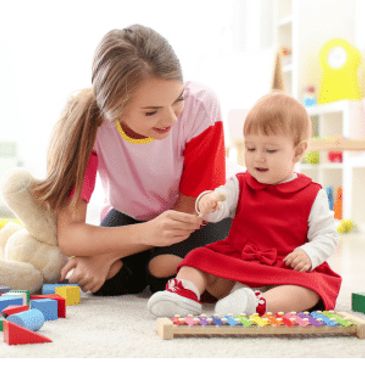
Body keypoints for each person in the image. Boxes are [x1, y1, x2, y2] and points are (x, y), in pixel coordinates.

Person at [32, 24, 231, 296]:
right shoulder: (90, 127)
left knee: (169, 275)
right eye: (151, 112)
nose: (171, 119)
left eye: (177, 99)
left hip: (197, 215)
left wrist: (106, 254)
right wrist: (143, 236)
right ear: (113, 109)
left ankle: (148, 264)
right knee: (94, 280)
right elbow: (70, 236)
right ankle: (143, 262)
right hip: (134, 216)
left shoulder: (202, 106)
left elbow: (189, 213)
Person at [148, 92, 342, 317]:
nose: (258, 158)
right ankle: (184, 295)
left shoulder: (312, 193)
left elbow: (328, 236)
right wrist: (207, 202)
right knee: (198, 258)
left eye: (270, 150)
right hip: (238, 261)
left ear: (297, 151)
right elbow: (219, 203)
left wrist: (309, 254)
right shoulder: (240, 183)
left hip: (283, 268)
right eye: (251, 148)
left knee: (311, 288)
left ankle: (258, 304)